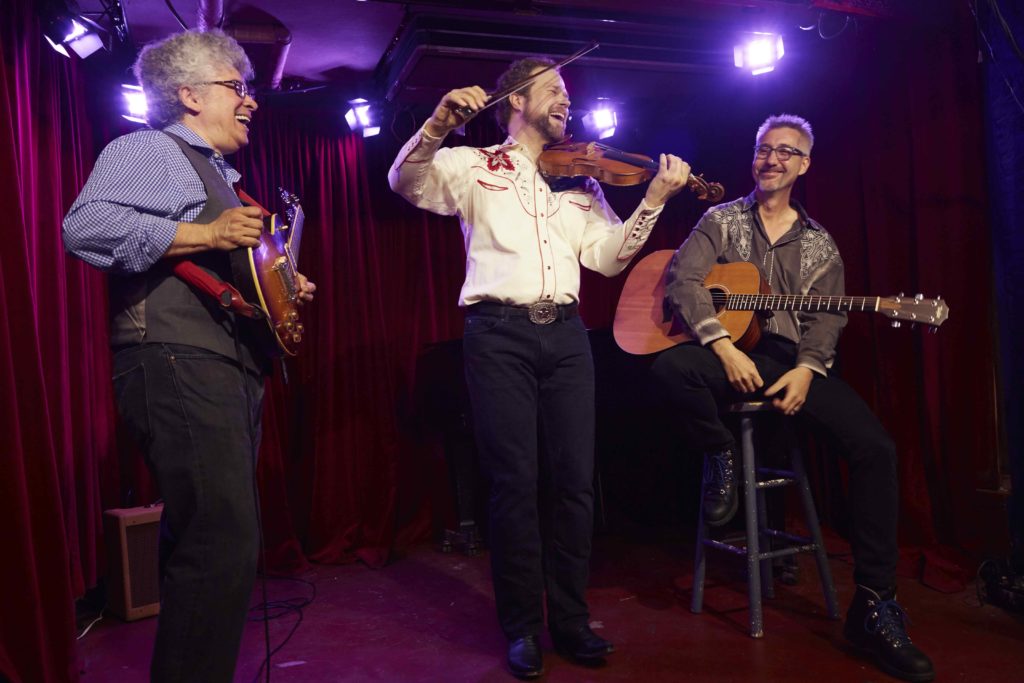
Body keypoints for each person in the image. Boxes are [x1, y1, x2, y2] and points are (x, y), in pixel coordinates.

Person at [389, 57, 690, 678]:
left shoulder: (582, 181)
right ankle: (523, 625)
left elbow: (607, 259)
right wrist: (438, 123)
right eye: (555, 89)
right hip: (498, 335)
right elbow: (406, 181)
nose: (566, 101)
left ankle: (573, 621)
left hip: (568, 339)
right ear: (516, 100)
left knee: (576, 481)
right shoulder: (476, 166)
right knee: (514, 485)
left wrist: (654, 201)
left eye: (567, 92)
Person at [62, 30, 315, 682]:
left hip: (219, 364)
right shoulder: (154, 148)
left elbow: (221, 270)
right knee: (222, 541)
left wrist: (281, 288)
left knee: (210, 538)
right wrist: (206, 231)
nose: (251, 100)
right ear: (188, 95)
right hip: (176, 358)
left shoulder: (220, 178)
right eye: (237, 86)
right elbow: (84, 227)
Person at [650, 114, 934, 683]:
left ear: (804, 165)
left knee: (875, 448)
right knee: (668, 367)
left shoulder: (820, 244)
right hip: (725, 348)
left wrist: (807, 370)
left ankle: (875, 605)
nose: (771, 159)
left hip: (788, 358)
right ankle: (720, 452)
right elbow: (683, 280)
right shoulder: (721, 220)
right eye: (763, 150)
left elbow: (825, 328)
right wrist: (722, 345)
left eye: (786, 152)